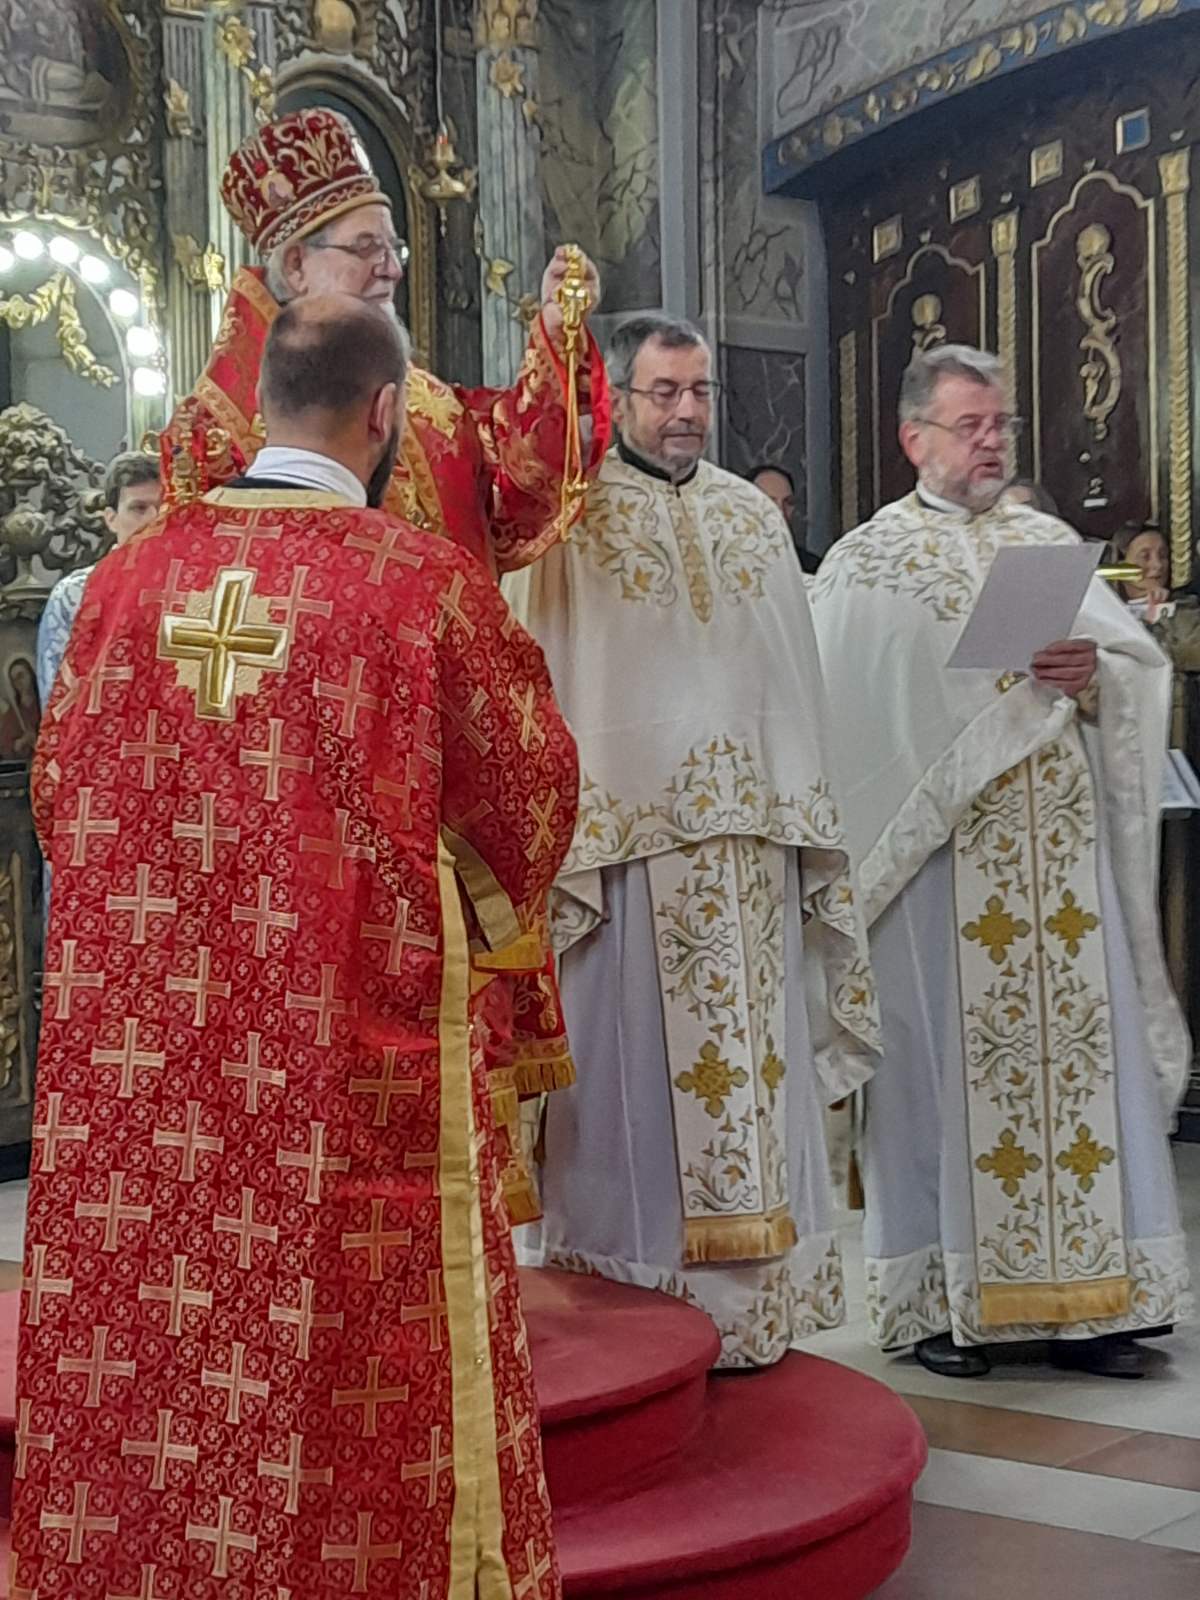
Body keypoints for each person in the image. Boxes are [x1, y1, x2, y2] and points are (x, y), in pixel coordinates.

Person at [13, 295, 579, 1600]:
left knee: (167, 1344)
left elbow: (57, 797)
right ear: (385, 414)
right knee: (336, 1353)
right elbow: (527, 805)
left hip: (153, 1074)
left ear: (261, 401)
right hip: (344, 1062)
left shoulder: (122, 586)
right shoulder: (418, 587)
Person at [161, 107, 609, 1220]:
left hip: (436, 806)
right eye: (362, 246)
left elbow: (522, 495)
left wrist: (557, 346)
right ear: (292, 265)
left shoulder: (431, 405)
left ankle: (458, 1285)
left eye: (392, 245)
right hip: (297, 813)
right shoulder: (218, 431)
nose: (389, 266)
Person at [811, 344, 1191, 1380]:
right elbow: (847, 722)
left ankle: (1094, 1304)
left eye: (1001, 425)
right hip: (936, 870)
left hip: (1059, 869)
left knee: (1083, 1066)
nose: (990, 443)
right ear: (914, 438)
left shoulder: (1044, 542)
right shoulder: (865, 564)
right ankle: (941, 1306)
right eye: (969, 425)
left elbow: (1134, 669)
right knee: (935, 1079)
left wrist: (1093, 676)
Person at [510, 314, 880, 1368]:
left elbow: (791, 681)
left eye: (700, 392)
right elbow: (546, 668)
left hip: (751, 849)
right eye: (664, 391)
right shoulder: (571, 521)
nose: (685, 412)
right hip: (622, 855)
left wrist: (801, 811)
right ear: (618, 397)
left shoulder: (751, 519)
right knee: (624, 1088)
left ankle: (751, 1311)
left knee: (755, 1083)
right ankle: (629, 1302)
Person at [36, 450, 162, 705]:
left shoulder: (190, 592)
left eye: (163, 508)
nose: (153, 519)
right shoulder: (73, 594)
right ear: (111, 519)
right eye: (139, 508)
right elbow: (54, 698)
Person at [747, 462, 820, 574]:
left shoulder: (813, 568)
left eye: (788, 502)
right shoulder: (727, 565)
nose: (781, 511)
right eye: (770, 502)